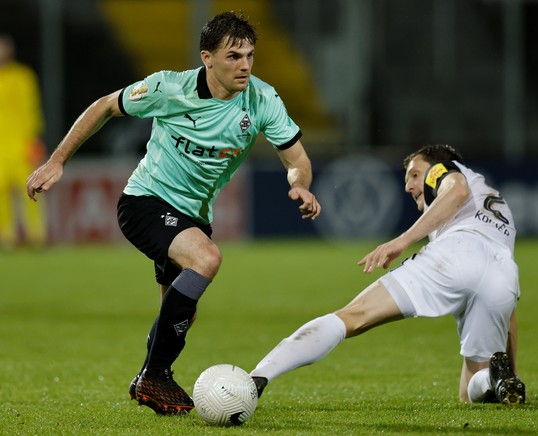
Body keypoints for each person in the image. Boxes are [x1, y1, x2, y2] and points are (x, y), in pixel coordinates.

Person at [26, 12, 321, 415]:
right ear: (207, 58)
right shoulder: (169, 87)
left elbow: (297, 158)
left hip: (194, 215)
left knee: (181, 309)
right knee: (207, 259)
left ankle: (150, 378)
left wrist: (298, 183)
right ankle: (155, 376)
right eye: (234, 56)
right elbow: (103, 106)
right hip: (144, 202)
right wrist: (57, 161)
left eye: (250, 55)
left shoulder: (262, 99)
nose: (245, 65)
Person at [250, 144, 526, 406]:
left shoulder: (442, 168)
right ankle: (497, 379)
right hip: (503, 276)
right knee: (471, 391)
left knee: (352, 317)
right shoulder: (497, 205)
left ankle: (257, 377)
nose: (408, 186)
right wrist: (513, 370)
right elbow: (508, 313)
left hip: (457, 253)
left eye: (415, 174)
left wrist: (401, 241)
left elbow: (456, 191)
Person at [0, 34, 47, 249]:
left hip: (22, 145)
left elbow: (33, 110)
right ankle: (6, 236)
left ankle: (36, 235)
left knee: (31, 191)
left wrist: (35, 140)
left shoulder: (24, 76)